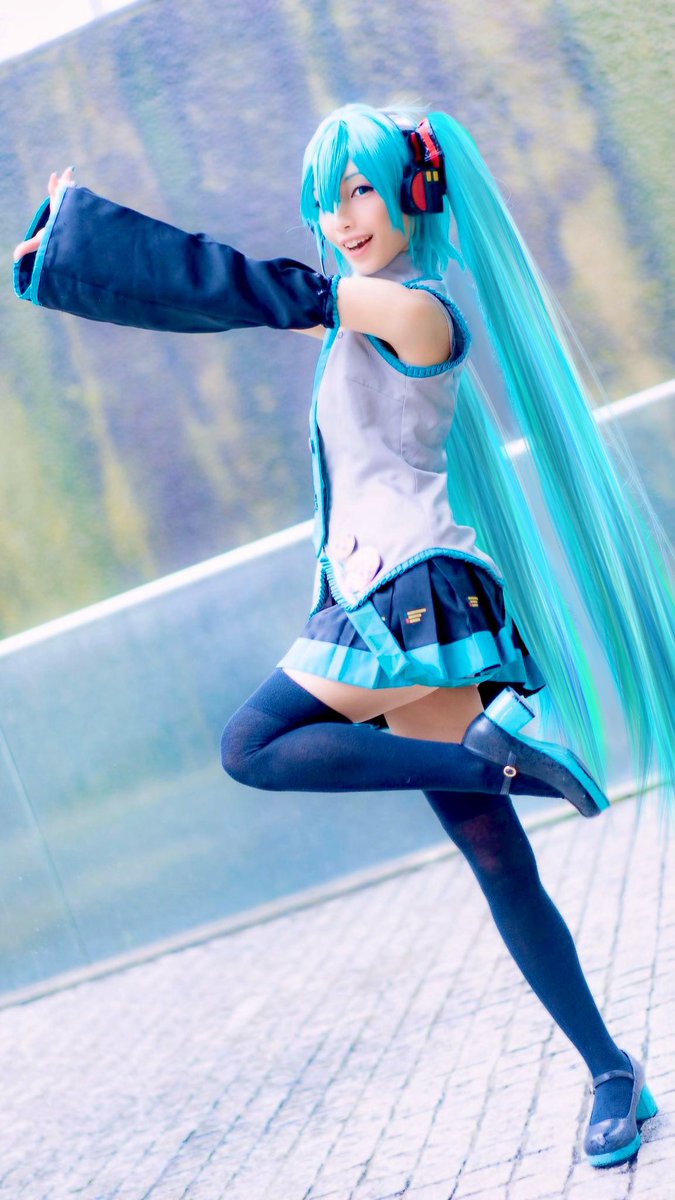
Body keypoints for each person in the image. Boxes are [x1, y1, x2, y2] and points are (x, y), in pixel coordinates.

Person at [13, 101, 672, 1169]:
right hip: (386, 598)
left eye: (363, 188)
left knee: (251, 745)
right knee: (496, 859)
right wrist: (63, 258)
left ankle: (507, 770)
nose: (343, 215)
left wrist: (90, 235)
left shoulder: (416, 312)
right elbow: (218, 299)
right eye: (327, 197)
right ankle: (611, 1073)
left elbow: (251, 286)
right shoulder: (356, 312)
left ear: (413, 193)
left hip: (409, 596)